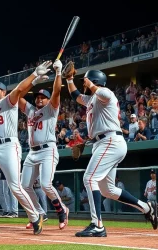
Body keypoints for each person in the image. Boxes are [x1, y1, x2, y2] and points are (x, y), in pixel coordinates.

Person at [65, 68, 157, 237]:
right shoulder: (92, 99)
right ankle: (146, 207)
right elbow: (76, 96)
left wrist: (90, 83)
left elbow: (103, 93)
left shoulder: (106, 93)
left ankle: (97, 225)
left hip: (110, 141)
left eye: (85, 81)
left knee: (89, 178)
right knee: (108, 190)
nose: (84, 84)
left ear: (93, 81)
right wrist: (69, 79)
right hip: (103, 142)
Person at [0, 61, 53, 235]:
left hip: (8, 146)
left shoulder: (8, 101)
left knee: (15, 187)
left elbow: (20, 89)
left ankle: (36, 216)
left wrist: (34, 76)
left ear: (3, 91)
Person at [19, 59, 69, 230]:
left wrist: (58, 73)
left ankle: (61, 210)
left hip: (48, 149)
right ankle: (39, 213)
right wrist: (33, 79)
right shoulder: (31, 110)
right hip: (32, 152)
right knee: (24, 186)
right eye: (38, 97)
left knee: (45, 185)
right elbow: (17, 96)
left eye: (43, 97)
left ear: (47, 100)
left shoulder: (51, 109)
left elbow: (56, 92)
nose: (40, 99)